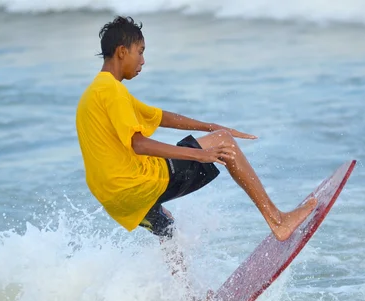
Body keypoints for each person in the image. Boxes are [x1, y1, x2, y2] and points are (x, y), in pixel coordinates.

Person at [75, 16, 317, 277]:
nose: (143, 60)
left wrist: (210, 127)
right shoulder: (112, 92)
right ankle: (278, 221)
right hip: (136, 183)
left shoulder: (96, 92)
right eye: (140, 52)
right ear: (122, 52)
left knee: (167, 228)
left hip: (116, 198)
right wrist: (200, 153)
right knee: (225, 143)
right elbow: (139, 144)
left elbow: (159, 116)